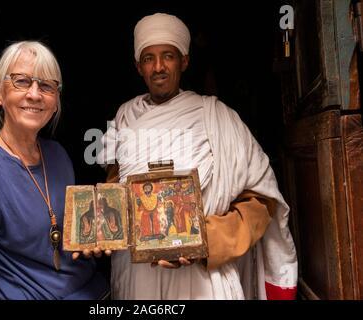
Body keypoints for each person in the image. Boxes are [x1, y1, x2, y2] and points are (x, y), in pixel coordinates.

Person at [98, 13, 298, 299]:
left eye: (168, 56)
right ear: (138, 67)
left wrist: (203, 241)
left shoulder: (218, 117)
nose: (158, 67)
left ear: (184, 61)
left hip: (205, 279)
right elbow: (113, 192)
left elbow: (260, 203)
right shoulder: (123, 119)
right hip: (136, 279)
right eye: (148, 58)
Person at [0, 41, 108, 300]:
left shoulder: (58, 155)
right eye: (22, 81)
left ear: (55, 102)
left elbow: (67, 237)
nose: (35, 94)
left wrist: (93, 242)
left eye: (46, 86)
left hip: (98, 292)